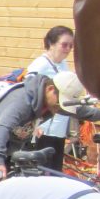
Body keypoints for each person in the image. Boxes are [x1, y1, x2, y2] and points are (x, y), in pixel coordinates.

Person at [0, 71, 84, 183]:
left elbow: (76, 111)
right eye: (60, 102)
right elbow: (3, 126)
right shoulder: (24, 101)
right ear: (50, 89)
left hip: (7, 149)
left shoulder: (48, 102)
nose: (61, 107)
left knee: (13, 192)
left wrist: (95, 112)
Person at [26, 25, 74, 171]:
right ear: (51, 44)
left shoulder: (63, 65)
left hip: (59, 128)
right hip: (43, 129)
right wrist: (33, 125)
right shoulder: (40, 65)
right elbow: (28, 94)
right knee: (41, 171)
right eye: (64, 45)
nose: (68, 49)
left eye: (71, 46)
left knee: (55, 171)